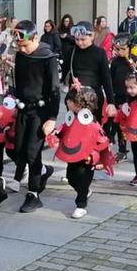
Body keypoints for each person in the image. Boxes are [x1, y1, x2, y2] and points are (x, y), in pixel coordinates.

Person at [11, 20, 60, 213]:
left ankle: (33, 194)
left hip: (41, 111)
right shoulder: (20, 55)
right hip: (24, 109)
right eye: (19, 46)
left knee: (32, 153)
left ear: (35, 38)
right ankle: (43, 172)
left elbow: (55, 89)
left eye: (25, 44)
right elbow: (20, 81)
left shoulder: (48, 57)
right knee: (19, 151)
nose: (23, 48)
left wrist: (52, 118)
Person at [54, 83, 111, 219]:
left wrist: (101, 159)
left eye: (71, 100)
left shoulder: (92, 124)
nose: (67, 102)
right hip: (73, 156)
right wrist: (56, 134)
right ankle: (84, 192)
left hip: (87, 159)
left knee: (83, 180)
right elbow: (65, 130)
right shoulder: (72, 118)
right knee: (71, 177)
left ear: (80, 105)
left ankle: (81, 205)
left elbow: (102, 141)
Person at [63, 21, 115, 123]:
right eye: (77, 39)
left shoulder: (100, 53)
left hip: (93, 98)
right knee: (74, 128)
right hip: (74, 97)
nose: (80, 42)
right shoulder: (71, 51)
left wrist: (111, 102)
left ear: (92, 36)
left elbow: (106, 78)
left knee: (93, 128)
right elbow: (64, 72)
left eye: (83, 39)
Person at [107, 34, 137, 161]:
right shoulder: (115, 62)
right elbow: (109, 79)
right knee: (119, 125)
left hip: (134, 97)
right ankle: (122, 150)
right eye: (117, 49)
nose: (120, 52)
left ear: (130, 47)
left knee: (135, 124)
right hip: (119, 96)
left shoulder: (136, 61)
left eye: (123, 49)